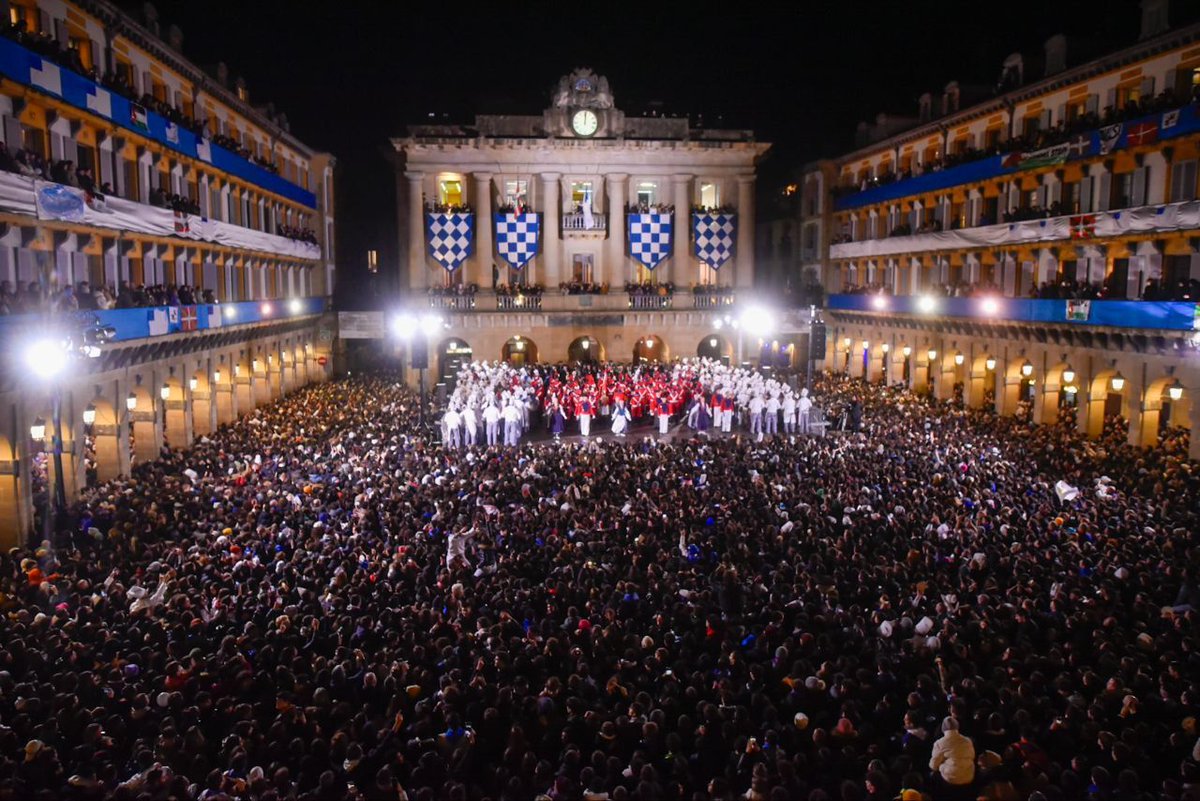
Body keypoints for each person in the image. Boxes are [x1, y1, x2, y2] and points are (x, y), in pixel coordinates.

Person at [929, 717, 975, 798]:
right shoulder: (967, 741)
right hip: (968, 776)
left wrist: (941, 766)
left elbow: (933, 765)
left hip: (950, 778)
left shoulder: (939, 743)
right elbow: (972, 756)